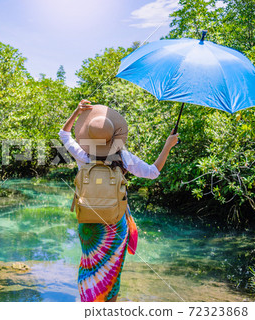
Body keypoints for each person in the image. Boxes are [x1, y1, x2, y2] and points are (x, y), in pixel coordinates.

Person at [59, 99, 179, 302]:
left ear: (88, 133)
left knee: (89, 267)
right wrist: (168, 145)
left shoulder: (82, 154)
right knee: (111, 276)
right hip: (115, 223)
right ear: (115, 135)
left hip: (89, 223)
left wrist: (76, 113)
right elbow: (154, 172)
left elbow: (64, 134)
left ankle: (88, 303)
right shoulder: (123, 157)